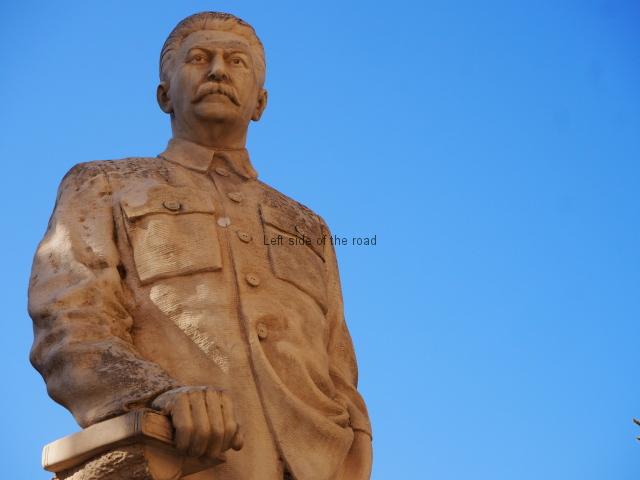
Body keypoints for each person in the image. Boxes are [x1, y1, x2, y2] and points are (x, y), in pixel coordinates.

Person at [28, 11, 371, 480]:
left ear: (261, 103)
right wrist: (155, 394)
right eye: (198, 58)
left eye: (236, 61)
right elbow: (72, 323)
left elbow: (338, 367)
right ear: (163, 94)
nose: (217, 70)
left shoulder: (308, 225)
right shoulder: (105, 185)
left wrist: (357, 452)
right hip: (178, 459)